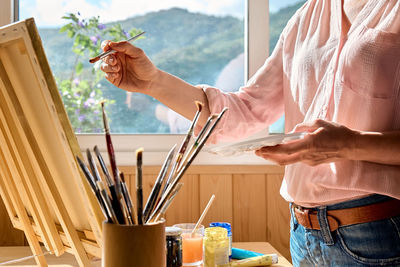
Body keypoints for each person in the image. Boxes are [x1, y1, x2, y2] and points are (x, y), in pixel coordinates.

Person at [100, 0, 400, 265]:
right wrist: (153, 82)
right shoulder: (308, 15)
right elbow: (246, 110)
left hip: (378, 231)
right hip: (303, 235)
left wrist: (350, 145)